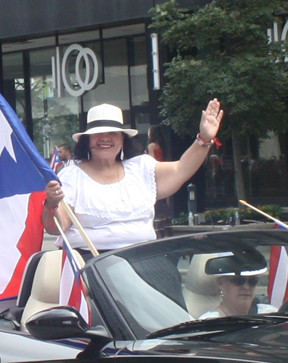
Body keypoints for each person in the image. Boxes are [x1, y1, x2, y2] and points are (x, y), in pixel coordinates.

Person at [42, 100, 224, 261]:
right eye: (98, 134)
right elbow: (56, 228)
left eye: (113, 133)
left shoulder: (140, 168)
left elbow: (181, 168)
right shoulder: (71, 176)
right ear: (87, 140)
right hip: (90, 263)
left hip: (145, 259)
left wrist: (205, 139)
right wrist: (51, 204)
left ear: (123, 139)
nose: (105, 138)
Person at [199, 274, 277, 319]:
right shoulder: (208, 323)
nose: (246, 287)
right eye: (239, 281)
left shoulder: (271, 314)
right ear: (221, 283)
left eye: (252, 281)